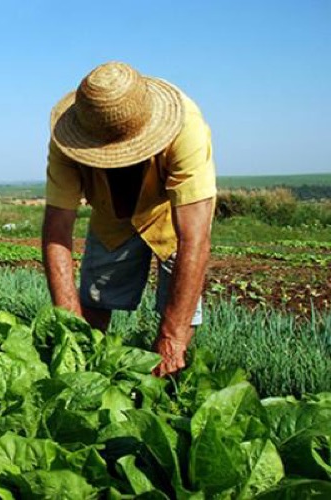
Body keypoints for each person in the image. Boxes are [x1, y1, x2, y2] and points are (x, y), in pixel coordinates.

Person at [42, 61, 216, 377]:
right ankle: (89, 372)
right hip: (110, 212)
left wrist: (171, 337)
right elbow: (57, 228)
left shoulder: (186, 127)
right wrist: (69, 327)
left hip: (169, 212)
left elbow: (195, 238)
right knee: (93, 302)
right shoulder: (67, 140)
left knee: (178, 323)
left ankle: (167, 384)